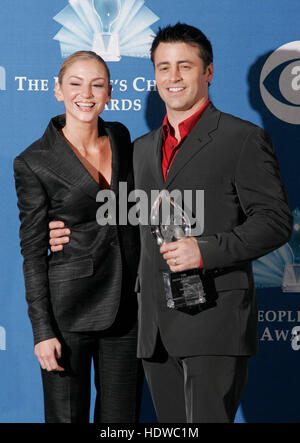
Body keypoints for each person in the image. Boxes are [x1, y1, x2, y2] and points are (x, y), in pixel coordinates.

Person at [49, 24, 293, 423]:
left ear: (208, 72)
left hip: (214, 322)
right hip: (155, 329)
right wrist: (63, 230)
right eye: (163, 67)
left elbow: (275, 221)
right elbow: (123, 217)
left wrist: (205, 250)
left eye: (185, 66)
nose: (173, 77)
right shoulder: (142, 148)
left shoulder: (241, 138)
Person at [14, 51, 141, 423]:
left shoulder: (120, 136)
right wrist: (42, 331)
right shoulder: (33, 161)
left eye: (97, 84)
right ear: (57, 90)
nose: (86, 93)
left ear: (109, 94)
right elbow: (33, 251)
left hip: (126, 311)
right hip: (68, 315)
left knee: (122, 423)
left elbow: (130, 210)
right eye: (75, 83)